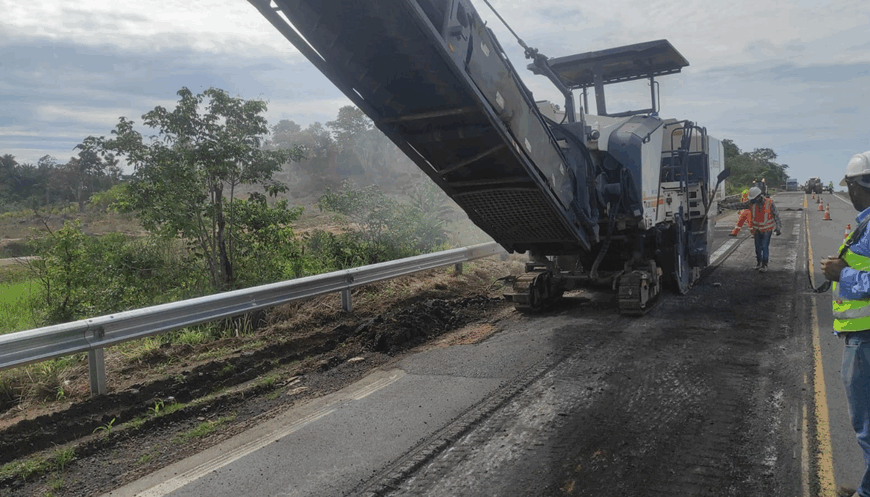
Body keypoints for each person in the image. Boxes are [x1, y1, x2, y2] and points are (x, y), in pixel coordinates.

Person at [820, 150, 870, 497]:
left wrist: (843, 274)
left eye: (850, 185)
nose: (849, 192)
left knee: (866, 427)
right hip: (861, 338)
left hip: (865, 341)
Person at [720, 186, 782, 271]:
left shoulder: (769, 203)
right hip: (756, 230)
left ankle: (764, 265)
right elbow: (738, 205)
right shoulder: (751, 204)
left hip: (767, 230)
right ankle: (759, 263)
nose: (752, 200)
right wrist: (724, 206)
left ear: (759, 196)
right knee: (758, 247)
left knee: (764, 247)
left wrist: (778, 227)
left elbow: (776, 216)